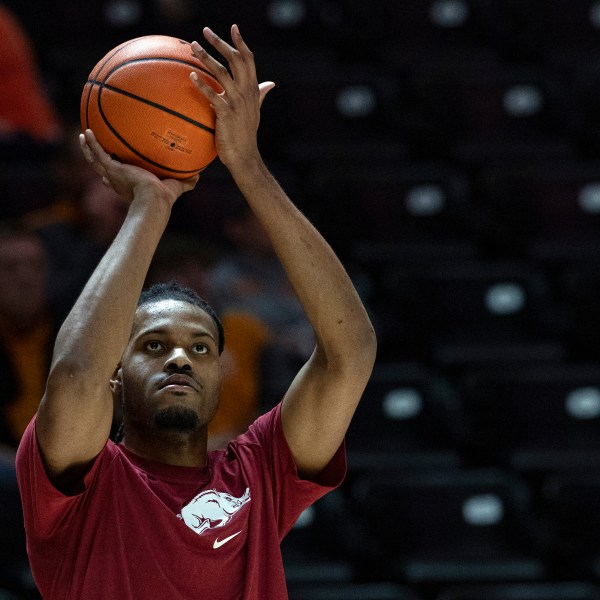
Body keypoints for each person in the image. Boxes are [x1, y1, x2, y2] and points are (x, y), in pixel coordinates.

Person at [16, 24, 377, 600]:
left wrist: (249, 168)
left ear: (218, 371)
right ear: (118, 371)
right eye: (153, 345)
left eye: (201, 348)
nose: (181, 357)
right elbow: (77, 375)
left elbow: (350, 352)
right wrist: (152, 203)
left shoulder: (260, 472)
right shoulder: (84, 482)